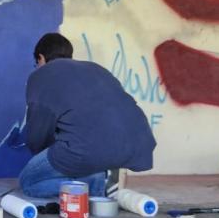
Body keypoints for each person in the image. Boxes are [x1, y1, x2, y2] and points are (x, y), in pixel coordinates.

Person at [19, 32, 156, 198]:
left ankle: (96, 184)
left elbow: (38, 134)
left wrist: (43, 152)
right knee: (77, 155)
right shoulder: (96, 69)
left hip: (88, 149)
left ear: (41, 58)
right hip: (136, 143)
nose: (37, 67)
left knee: (29, 181)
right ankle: (100, 176)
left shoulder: (42, 75)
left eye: (37, 63)